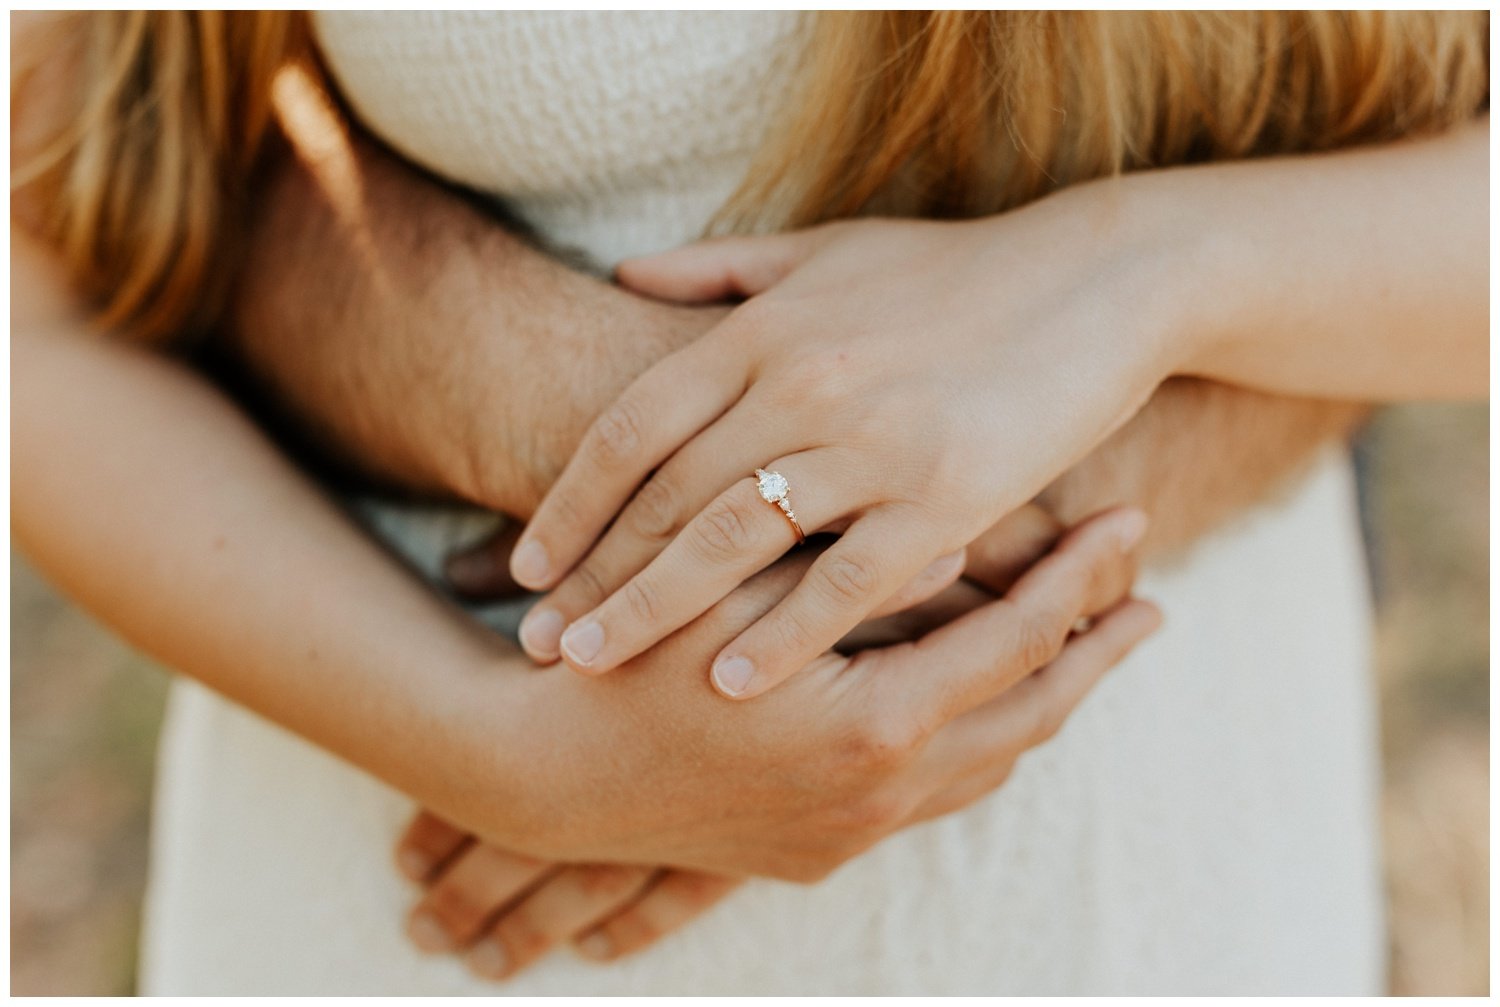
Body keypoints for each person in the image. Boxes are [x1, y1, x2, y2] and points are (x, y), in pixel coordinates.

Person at [12, 11, 1487, 995]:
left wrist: (1151, 272)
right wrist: (490, 743)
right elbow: (45, 238)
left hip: (1162, 885)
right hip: (417, 887)